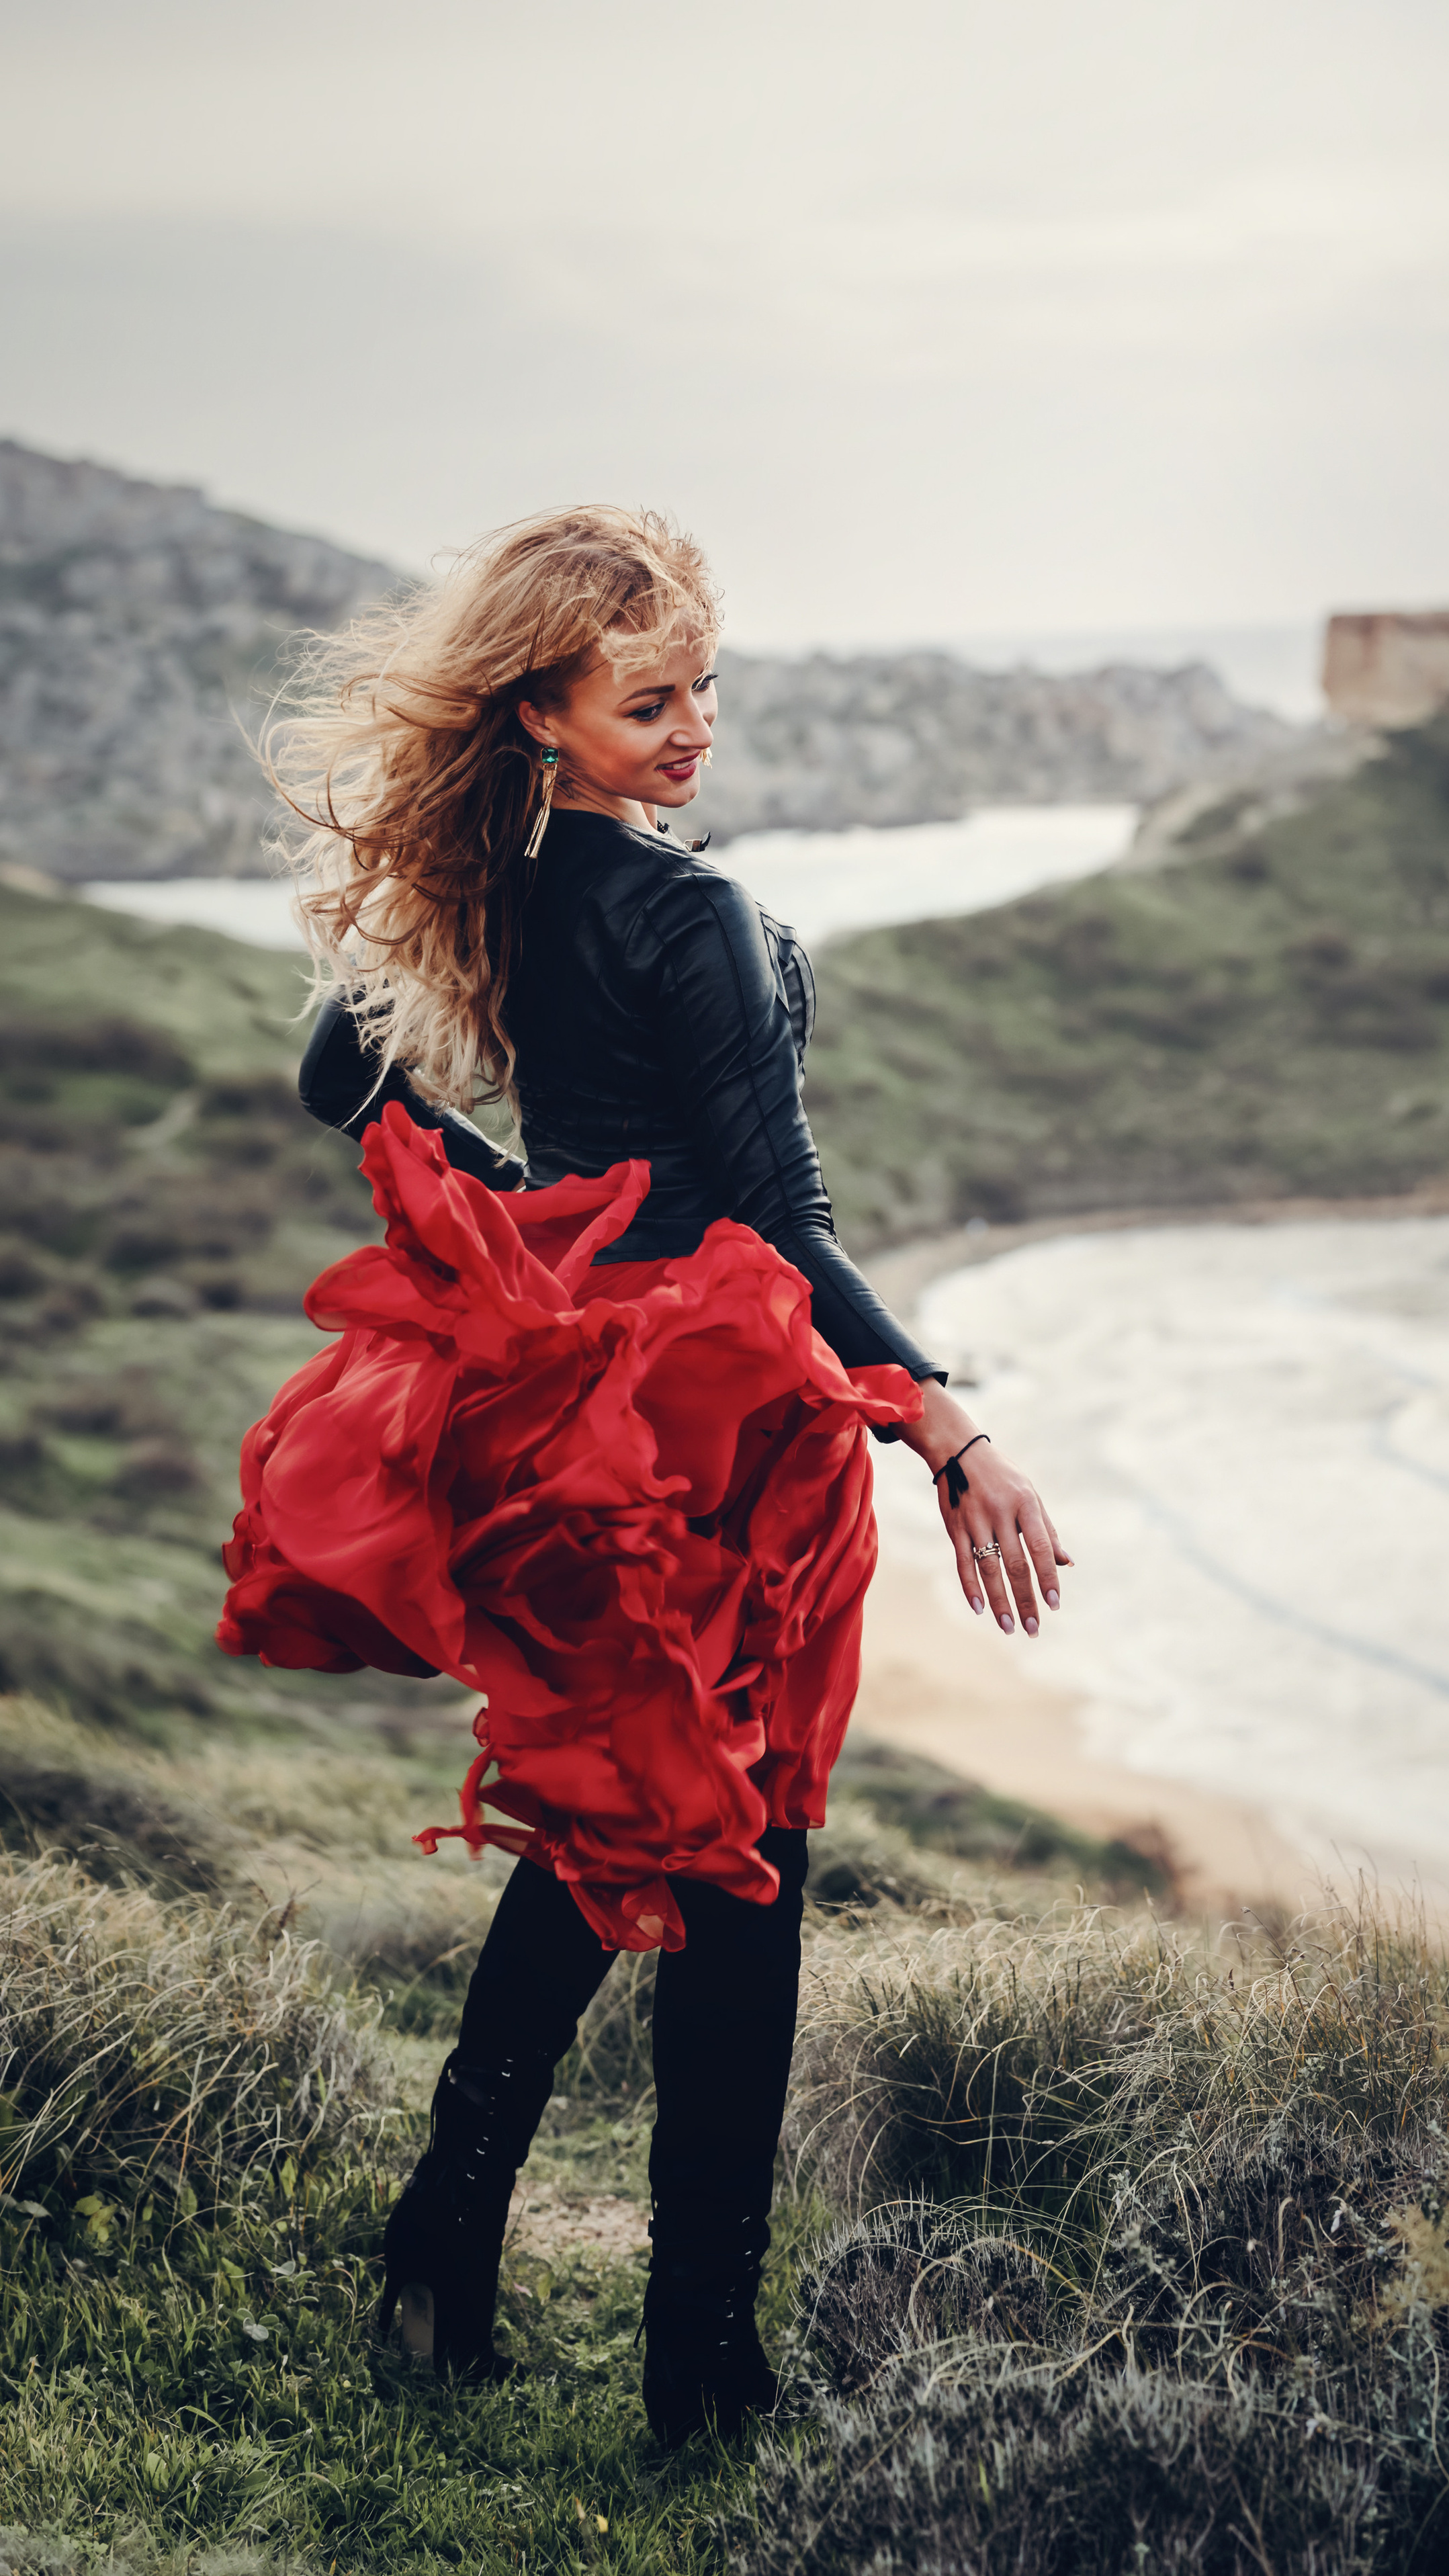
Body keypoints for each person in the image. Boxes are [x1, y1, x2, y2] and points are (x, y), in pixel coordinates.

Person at [216, 506, 1067, 2445]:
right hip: (732, 1441)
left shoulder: (500, 885)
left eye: (707, 689)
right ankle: (701, 2365)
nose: (697, 729)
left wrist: (550, 1230)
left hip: (595, 1421)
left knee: (619, 1840)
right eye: (650, 700)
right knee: (740, 1870)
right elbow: (783, 1213)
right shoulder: (681, 914)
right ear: (543, 711)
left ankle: (444, 2247)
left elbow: (330, 1066)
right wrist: (951, 1423)